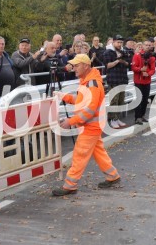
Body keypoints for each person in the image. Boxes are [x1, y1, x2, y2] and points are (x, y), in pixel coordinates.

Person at [52, 54, 121, 196]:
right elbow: (81, 100)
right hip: (90, 126)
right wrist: (64, 96)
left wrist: (70, 122)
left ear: (86, 66)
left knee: (79, 155)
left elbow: (89, 110)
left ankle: (70, 186)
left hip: (90, 126)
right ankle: (113, 176)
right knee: (99, 152)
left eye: (77, 65)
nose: (74, 68)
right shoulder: (87, 81)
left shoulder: (92, 84)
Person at [102, 35, 130, 129]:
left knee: (121, 101)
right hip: (113, 79)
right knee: (114, 100)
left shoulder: (123, 52)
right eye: (118, 42)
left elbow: (128, 63)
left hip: (122, 78)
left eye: (121, 42)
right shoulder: (108, 52)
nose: (120, 44)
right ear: (113, 42)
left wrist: (123, 61)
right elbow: (107, 65)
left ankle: (117, 118)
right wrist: (117, 61)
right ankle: (111, 119)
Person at [132, 41, 156, 125]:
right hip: (138, 81)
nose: (148, 46)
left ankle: (142, 115)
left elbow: (153, 69)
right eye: (146, 45)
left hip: (147, 81)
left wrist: (148, 73)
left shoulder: (152, 58)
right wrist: (140, 69)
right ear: (142, 46)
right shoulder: (137, 55)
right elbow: (133, 67)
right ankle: (137, 117)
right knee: (138, 99)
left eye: (149, 45)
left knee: (145, 100)